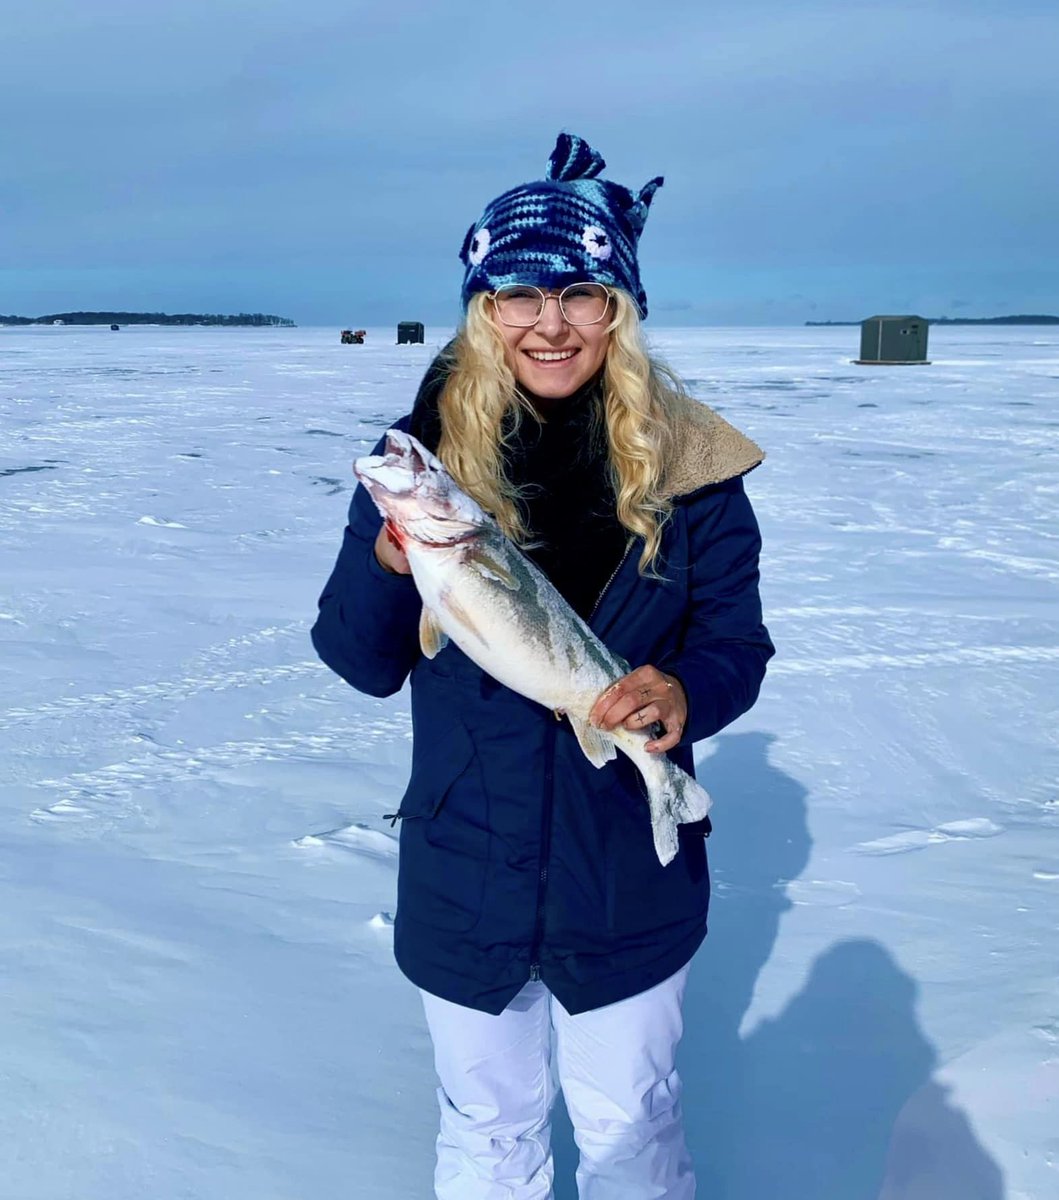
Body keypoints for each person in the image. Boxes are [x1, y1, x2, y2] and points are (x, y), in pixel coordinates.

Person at [311, 132, 774, 1200]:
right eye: (518, 294)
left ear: (621, 308)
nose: (550, 323)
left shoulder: (697, 471)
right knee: (487, 1134)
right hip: (466, 867)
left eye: (582, 293)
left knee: (630, 1133)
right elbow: (357, 661)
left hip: (625, 875)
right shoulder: (424, 466)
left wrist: (685, 690)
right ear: (483, 308)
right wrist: (390, 566)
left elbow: (737, 642)